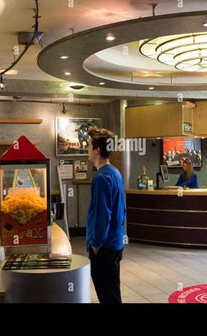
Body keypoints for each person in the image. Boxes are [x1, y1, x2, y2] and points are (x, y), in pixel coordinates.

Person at [86, 127, 126, 304]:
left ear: (97, 149)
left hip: (104, 248)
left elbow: (103, 215)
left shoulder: (101, 178)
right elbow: (122, 209)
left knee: (108, 296)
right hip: (115, 244)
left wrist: (95, 244)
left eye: (88, 145)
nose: (86, 149)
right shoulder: (115, 172)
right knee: (112, 293)